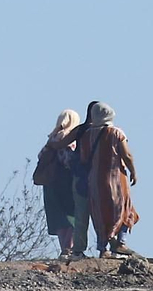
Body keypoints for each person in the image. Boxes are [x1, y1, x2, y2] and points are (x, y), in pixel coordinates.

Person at [79, 101, 139, 258]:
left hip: (94, 181)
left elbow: (83, 158)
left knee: (100, 212)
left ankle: (103, 248)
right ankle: (120, 243)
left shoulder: (86, 136)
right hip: (116, 179)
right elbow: (126, 155)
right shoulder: (116, 133)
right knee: (123, 210)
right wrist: (133, 171)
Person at [36, 109, 90, 260]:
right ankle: (69, 248)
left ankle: (64, 248)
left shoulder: (52, 137)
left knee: (59, 218)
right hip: (65, 182)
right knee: (72, 215)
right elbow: (68, 159)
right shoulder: (68, 138)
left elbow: (41, 156)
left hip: (50, 183)